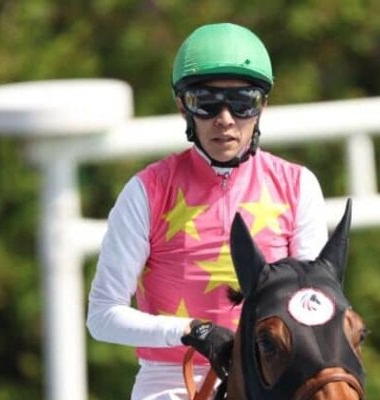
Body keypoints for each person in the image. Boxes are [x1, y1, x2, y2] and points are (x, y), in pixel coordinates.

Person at [86, 22, 328, 400]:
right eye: (207, 102)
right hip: (170, 381)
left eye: (242, 102)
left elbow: (312, 305)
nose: (225, 119)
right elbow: (102, 316)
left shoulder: (299, 186)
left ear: (261, 106)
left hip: (273, 378)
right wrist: (190, 331)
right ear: (183, 107)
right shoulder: (145, 192)